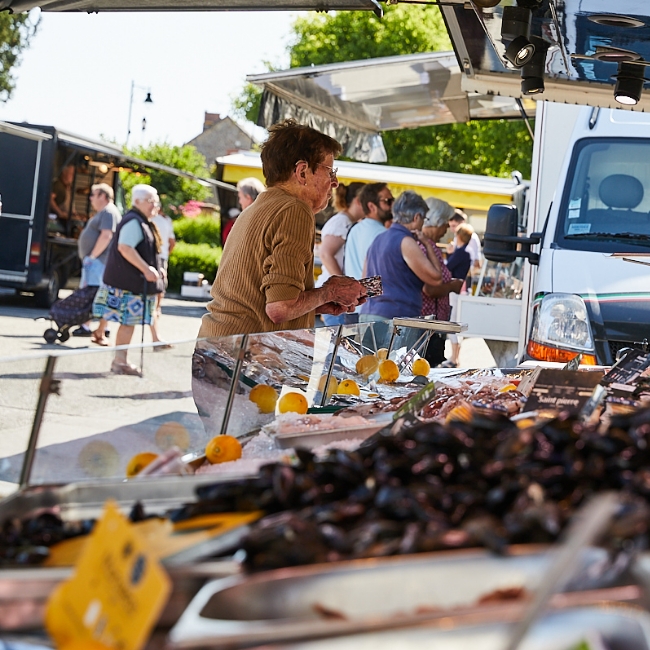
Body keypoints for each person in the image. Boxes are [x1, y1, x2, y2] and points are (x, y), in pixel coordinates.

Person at [197, 119, 365, 339]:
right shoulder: (294, 209)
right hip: (246, 355)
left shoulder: (260, 206)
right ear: (302, 172)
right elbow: (280, 308)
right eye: (330, 172)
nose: (334, 182)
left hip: (223, 346)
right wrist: (330, 291)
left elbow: (259, 299)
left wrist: (320, 301)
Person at [92, 184, 164, 375]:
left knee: (128, 322)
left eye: (155, 201)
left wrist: (156, 269)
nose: (154, 205)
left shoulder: (140, 220)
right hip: (128, 284)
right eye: (150, 201)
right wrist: (146, 269)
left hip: (128, 283)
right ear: (137, 202)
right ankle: (120, 361)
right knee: (128, 322)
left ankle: (120, 360)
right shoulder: (135, 221)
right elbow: (125, 247)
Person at [359, 191, 443, 350]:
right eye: (423, 220)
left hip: (369, 314)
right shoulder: (405, 241)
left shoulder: (378, 239)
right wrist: (427, 244)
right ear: (416, 217)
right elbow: (436, 278)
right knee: (393, 372)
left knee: (369, 371)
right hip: (396, 317)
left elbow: (366, 282)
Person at [73, 183, 122, 344]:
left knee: (92, 294)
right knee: (97, 294)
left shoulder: (108, 212)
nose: (90, 198)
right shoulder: (106, 212)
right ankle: (101, 327)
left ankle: (87, 326)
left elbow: (106, 235)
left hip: (99, 262)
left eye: (93, 194)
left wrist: (92, 256)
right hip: (99, 262)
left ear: (103, 196)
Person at [418, 197, 464, 366]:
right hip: (426, 329)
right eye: (446, 222)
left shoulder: (430, 245)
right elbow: (429, 288)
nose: (447, 228)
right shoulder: (423, 247)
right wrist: (452, 286)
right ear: (437, 221)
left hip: (433, 328)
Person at [316, 181, 365, 326]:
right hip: (335, 296)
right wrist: (344, 286)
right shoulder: (341, 222)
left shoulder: (348, 221)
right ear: (358, 201)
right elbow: (326, 254)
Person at [443, 222, 477, 368]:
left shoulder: (460, 253)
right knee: (454, 323)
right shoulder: (465, 253)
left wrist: (448, 254)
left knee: (451, 323)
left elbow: (447, 268)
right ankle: (454, 357)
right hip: (458, 291)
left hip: (453, 292)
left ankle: (454, 358)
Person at [344, 182, 394, 280]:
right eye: (388, 201)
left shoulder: (355, 229)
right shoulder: (382, 234)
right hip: (372, 293)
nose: (392, 205)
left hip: (356, 293)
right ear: (371, 206)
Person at [222, 177, 266, 246]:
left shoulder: (249, 220)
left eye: (240, 197)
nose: (240, 201)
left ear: (248, 198)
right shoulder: (268, 215)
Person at [152, 203, 176, 321]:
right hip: (162, 255)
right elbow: (172, 242)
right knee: (161, 281)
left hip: (152, 254)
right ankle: (158, 307)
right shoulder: (167, 220)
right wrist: (167, 253)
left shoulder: (150, 219)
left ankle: (152, 307)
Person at [50, 164, 76, 231]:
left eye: (73, 174)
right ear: (64, 172)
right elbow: (50, 199)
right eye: (71, 174)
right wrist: (60, 212)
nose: (72, 177)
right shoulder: (58, 185)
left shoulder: (67, 188)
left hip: (65, 220)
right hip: (55, 221)